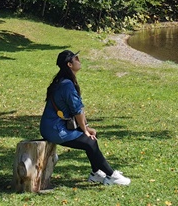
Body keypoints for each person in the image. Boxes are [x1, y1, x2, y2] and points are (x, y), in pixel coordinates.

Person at [40, 50, 131, 186]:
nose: (79, 59)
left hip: (51, 127)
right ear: (69, 64)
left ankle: (96, 173)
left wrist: (86, 128)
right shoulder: (67, 85)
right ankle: (111, 176)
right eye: (76, 58)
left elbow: (75, 110)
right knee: (90, 142)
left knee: (90, 140)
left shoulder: (62, 81)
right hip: (56, 130)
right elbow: (77, 111)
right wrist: (85, 130)